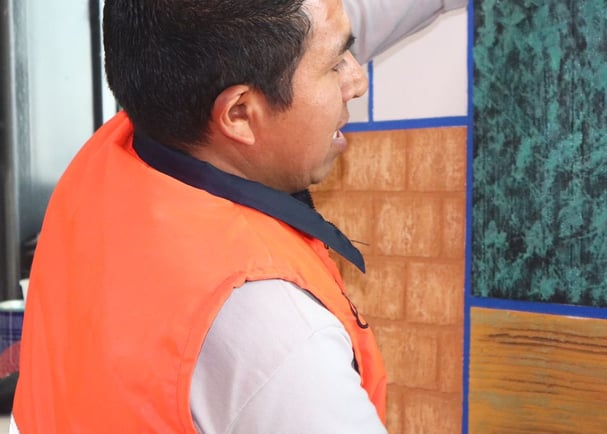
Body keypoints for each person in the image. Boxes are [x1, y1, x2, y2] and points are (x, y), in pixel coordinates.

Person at [11, 0, 466, 432]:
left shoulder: (119, 149)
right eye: (335, 66)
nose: (356, 80)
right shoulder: (278, 339)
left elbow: (308, 31)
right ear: (240, 114)